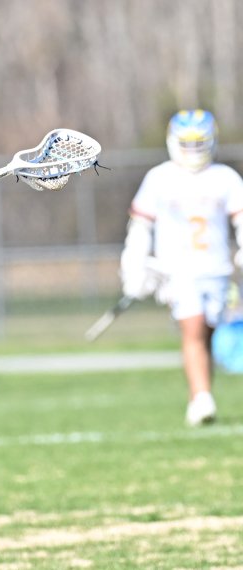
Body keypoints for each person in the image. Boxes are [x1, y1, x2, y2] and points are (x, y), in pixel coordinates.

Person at [120, 109, 243, 426]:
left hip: (216, 269)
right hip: (179, 270)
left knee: (207, 332)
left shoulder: (225, 178)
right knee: (193, 328)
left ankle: (198, 397)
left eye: (198, 143)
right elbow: (140, 225)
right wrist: (134, 265)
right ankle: (202, 398)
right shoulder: (159, 177)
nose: (192, 150)